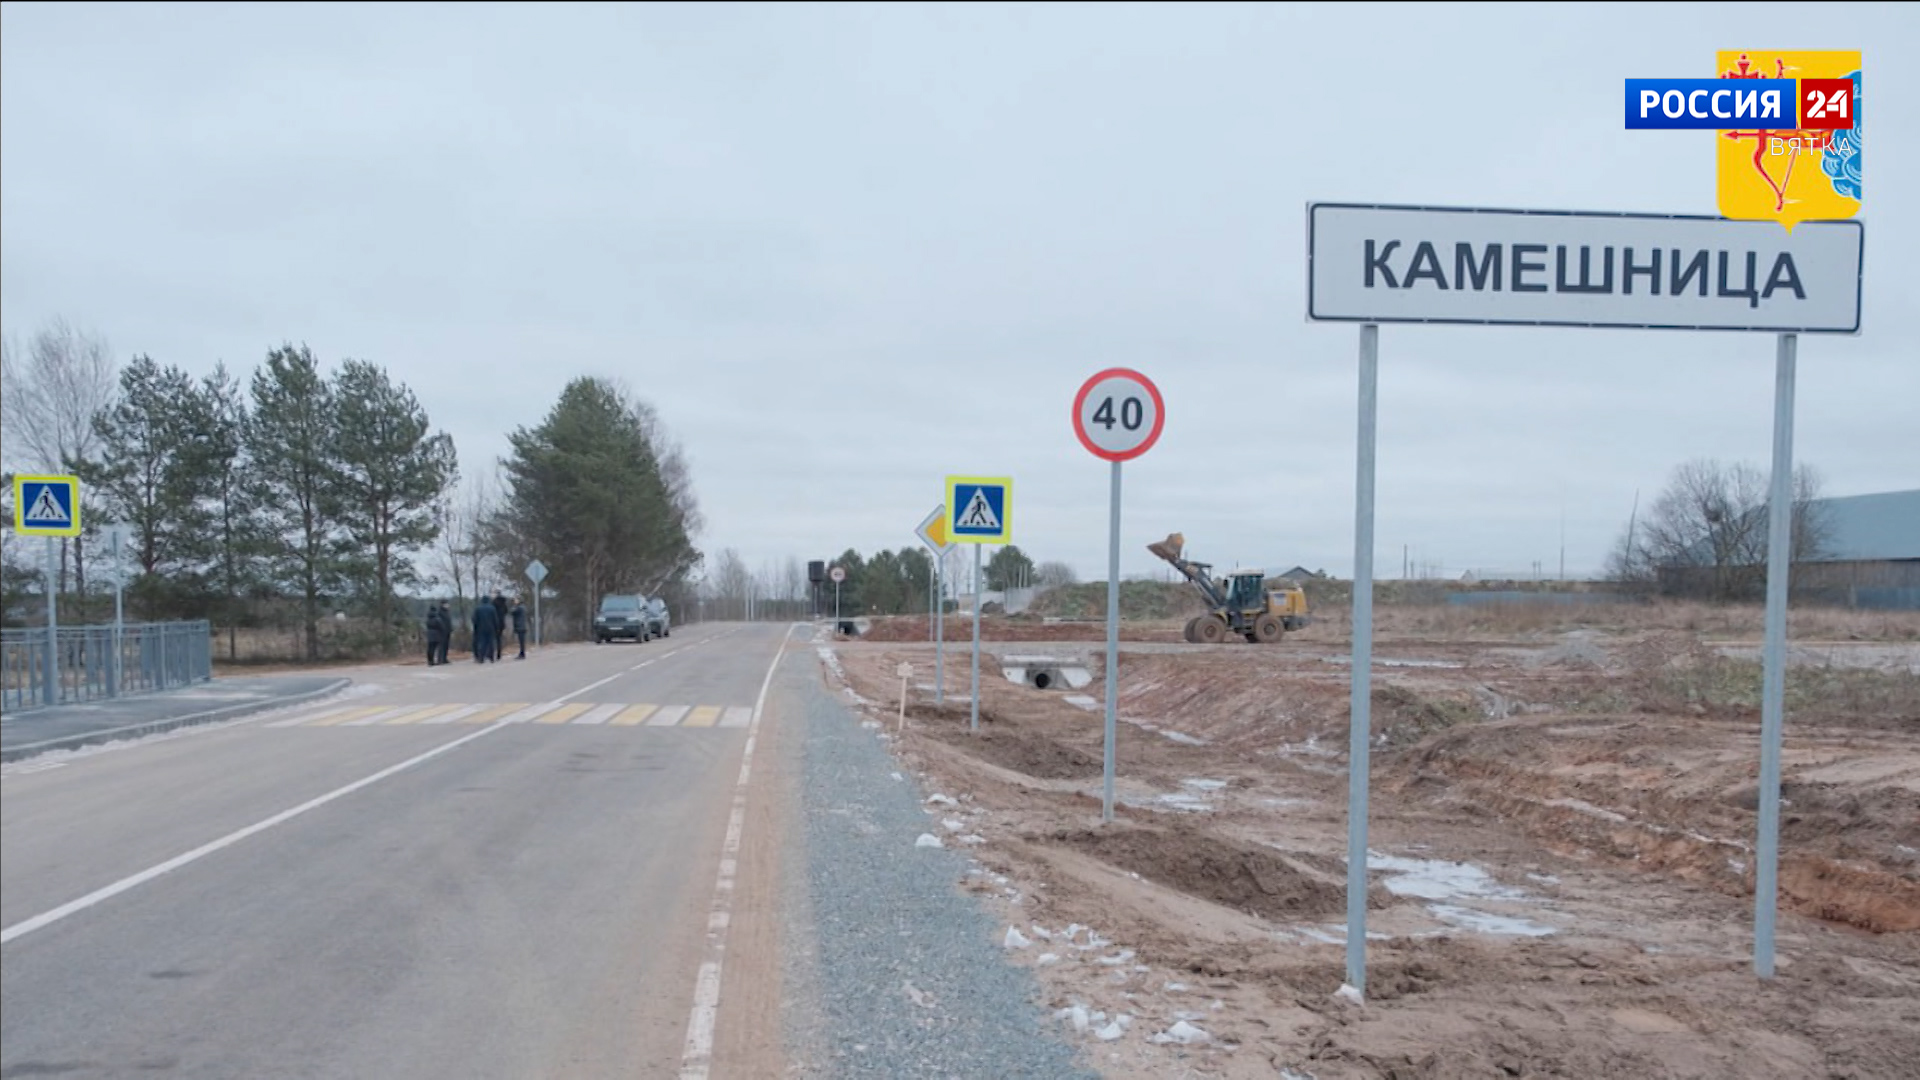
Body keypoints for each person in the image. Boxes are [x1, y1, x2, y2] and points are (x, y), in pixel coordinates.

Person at [471, 597, 500, 663]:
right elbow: (495, 619)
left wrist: (476, 627)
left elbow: (474, 619)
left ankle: (481, 658)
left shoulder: (478, 608)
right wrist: (496, 628)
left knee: (482, 643)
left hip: (481, 628)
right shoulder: (492, 608)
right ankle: (491, 657)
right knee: (491, 643)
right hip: (490, 628)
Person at [491, 592, 510, 661]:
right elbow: (506, 612)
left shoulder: (493, 603)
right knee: (499, 639)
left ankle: (491, 654)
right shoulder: (504, 604)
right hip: (501, 623)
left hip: (494, 623)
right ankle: (499, 654)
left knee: (492, 639)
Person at [434, 601, 453, 665]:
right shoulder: (439, 612)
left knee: (446, 645)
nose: (447, 605)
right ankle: (440, 659)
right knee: (441, 646)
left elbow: (449, 621)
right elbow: (439, 622)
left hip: (447, 631)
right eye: (446, 604)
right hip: (441, 632)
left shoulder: (447, 612)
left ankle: (444, 658)